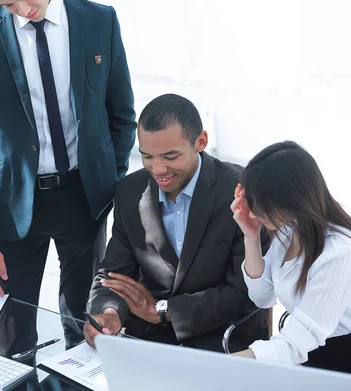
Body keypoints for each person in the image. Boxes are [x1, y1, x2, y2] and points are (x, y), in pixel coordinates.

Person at [0, 0, 136, 358]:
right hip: (10, 207)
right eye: (7, 5)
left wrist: (111, 179)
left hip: (84, 199)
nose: (22, 10)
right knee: (15, 339)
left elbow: (121, 113)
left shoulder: (99, 20)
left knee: (84, 327)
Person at [84, 94, 269, 352]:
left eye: (170, 157)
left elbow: (249, 291)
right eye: (147, 156)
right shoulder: (129, 191)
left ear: (201, 142)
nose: (157, 169)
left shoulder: (240, 190)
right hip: (150, 342)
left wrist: (166, 311)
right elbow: (113, 275)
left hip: (225, 344)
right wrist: (108, 313)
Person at [230, 141, 351, 380]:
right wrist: (251, 236)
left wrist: (227, 363)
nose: (254, 213)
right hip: (312, 353)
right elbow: (262, 297)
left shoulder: (340, 252)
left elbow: (297, 342)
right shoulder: (290, 229)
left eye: (261, 205)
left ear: (290, 200)